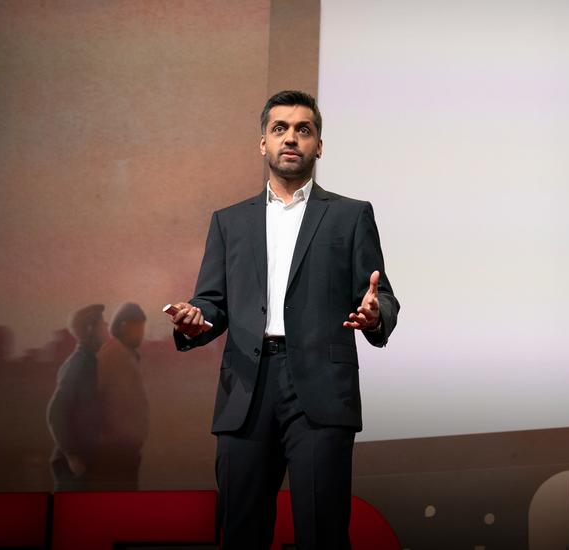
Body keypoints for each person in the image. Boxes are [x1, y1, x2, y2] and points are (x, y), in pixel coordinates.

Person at [168, 90, 400, 549]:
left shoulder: (351, 216)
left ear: (319, 145)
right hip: (247, 389)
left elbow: (382, 296)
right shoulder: (229, 222)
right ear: (264, 143)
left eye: (303, 130)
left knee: (322, 533)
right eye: (280, 129)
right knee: (241, 533)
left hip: (322, 389)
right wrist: (197, 320)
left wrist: (375, 315)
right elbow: (212, 303)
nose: (291, 138)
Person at [46, 304, 106, 491]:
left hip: (89, 458)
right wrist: (72, 455)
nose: (106, 327)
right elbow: (56, 413)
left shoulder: (93, 362)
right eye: (102, 324)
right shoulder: (79, 364)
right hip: (77, 464)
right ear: (90, 330)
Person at [94, 302, 149, 490]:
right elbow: (104, 397)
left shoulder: (126, 354)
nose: (141, 333)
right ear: (123, 326)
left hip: (126, 446)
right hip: (115, 447)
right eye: (137, 327)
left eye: (142, 327)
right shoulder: (113, 354)